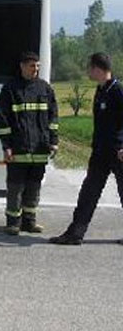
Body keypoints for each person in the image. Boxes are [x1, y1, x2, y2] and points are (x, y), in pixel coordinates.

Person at [50, 53, 123, 245]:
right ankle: (75, 234)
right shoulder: (101, 91)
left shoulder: (118, 91)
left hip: (118, 152)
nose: (87, 72)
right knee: (88, 193)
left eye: (89, 68)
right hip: (100, 152)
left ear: (98, 69)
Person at [0, 51, 59, 235]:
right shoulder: (10, 89)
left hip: (40, 148)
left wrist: (53, 142)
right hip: (18, 148)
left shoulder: (45, 89)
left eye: (38, 66)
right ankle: (13, 222)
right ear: (22, 66)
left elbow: (53, 118)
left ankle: (29, 222)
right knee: (15, 187)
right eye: (32, 66)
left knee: (34, 187)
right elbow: (1, 118)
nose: (36, 69)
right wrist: (6, 146)